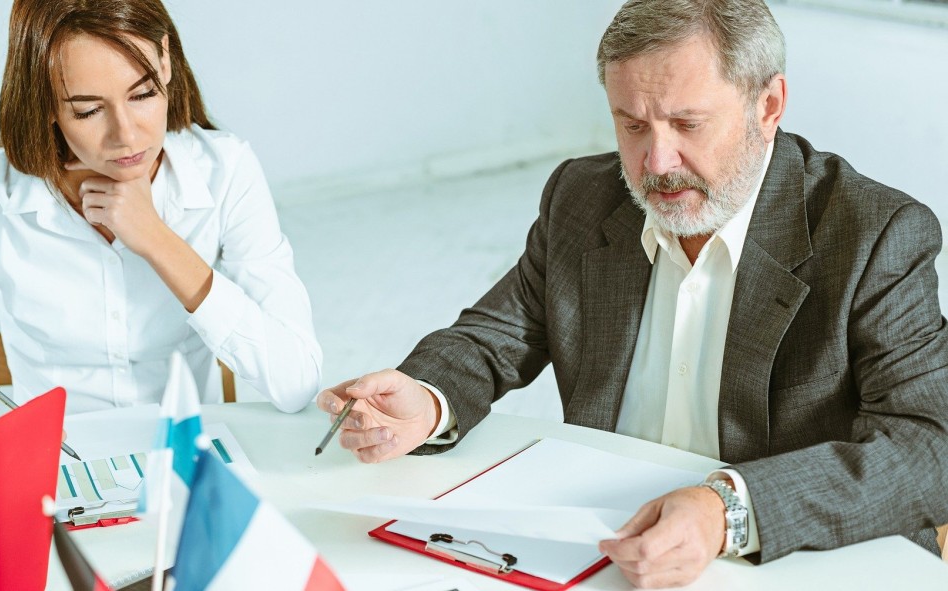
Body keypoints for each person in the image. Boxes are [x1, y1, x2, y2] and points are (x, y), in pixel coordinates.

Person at [317, 0, 948, 587]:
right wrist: (429, 398)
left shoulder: (873, 234)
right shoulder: (583, 197)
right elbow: (495, 336)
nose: (655, 162)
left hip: (784, 556)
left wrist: (725, 511)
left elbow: (929, 447)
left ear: (769, 105)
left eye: (686, 123)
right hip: (608, 553)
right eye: (632, 124)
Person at [0, 0, 321, 470]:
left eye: (143, 94)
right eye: (89, 110)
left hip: (187, 476)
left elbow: (295, 381)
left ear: (166, 60)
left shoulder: (226, 170)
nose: (128, 136)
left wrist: (157, 240)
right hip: (56, 478)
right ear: (44, 103)